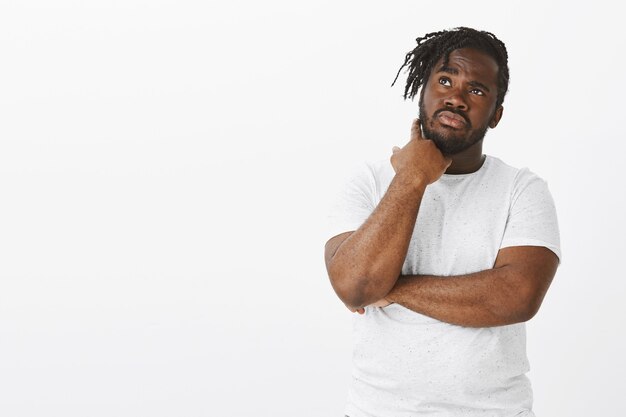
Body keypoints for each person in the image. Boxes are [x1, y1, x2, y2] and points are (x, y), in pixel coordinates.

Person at [324, 27, 560, 417]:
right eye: (446, 80)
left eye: (477, 90)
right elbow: (356, 286)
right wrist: (412, 178)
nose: (456, 97)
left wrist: (396, 290)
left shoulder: (523, 189)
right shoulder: (367, 181)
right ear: (423, 91)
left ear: (496, 115)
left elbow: (516, 297)